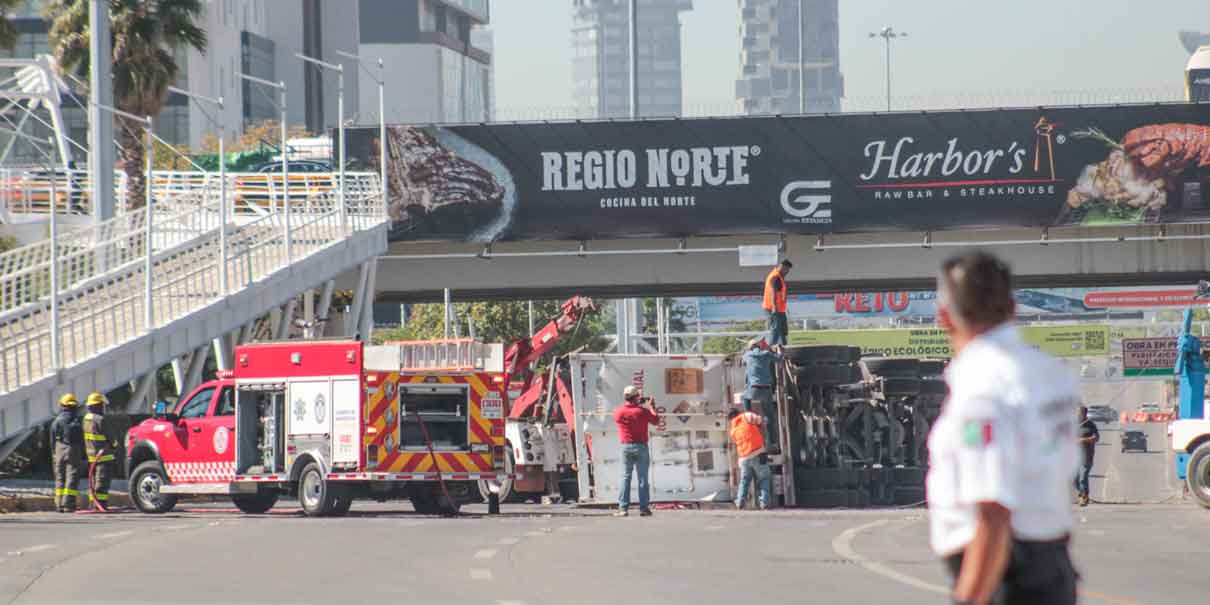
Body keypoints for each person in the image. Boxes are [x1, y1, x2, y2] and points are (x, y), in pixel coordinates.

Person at [926, 251, 1080, 605]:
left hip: (1005, 575)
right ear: (1012, 307)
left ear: (945, 317)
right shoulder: (1049, 372)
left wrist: (970, 598)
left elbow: (993, 511)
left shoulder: (982, 390)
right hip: (1052, 563)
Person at [613, 385, 660, 517]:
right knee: (643, 478)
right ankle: (644, 508)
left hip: (625, 447)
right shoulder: (642, 411)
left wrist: (637, 403)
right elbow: (656, 420)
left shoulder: (619, 412)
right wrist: (651, 407)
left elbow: (622, 417)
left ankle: (623, 508)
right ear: (636, 397)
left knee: (625, 477)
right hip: (641, 447)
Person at [742, 338, 782, 453]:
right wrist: (778, 349)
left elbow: (742, 361)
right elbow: (780, 358)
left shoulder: (747, 355)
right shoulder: (766, 354)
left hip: (753, 389)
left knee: (744, 397)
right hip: (766, 389)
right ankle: (773, 441)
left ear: (750, 347)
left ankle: (748, 417)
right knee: (769, 416)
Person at [83, 392, 119, 511]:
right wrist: (115, 445)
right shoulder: (101, 420)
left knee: (93, 481)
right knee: (102, 482)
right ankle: (101, 504)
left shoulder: (86, 419)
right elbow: (110, 437)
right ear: (98, 405)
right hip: (104, 456)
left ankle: (92, 504)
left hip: (91, 456)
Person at [729, 409, 771, 510]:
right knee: (764, 478)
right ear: (738, 413)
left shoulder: (733, 430)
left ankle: (739, 502)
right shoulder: (746, 416)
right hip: (758, 453)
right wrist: (766, 419)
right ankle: (764, 503)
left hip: (744, 458)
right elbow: (760, 420)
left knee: (744, 481)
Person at [49, 393, 84, 513]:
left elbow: (52, 438)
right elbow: (81, 438)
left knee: (59, 478)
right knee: (72, 477)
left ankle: (59, 504)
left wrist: (54, 453)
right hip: (73, 450)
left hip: (59, 449)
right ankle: (69, 504)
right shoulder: (76, 419)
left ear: (62, 405)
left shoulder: (56, 421)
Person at [761, 259, 793, 347]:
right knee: (775, 329)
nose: (787, 272)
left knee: (783, 329)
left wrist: (784, 307)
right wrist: (774, 307)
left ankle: (783, 348)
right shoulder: (775, 277)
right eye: (787, 270)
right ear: (782, 267)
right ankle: (771, 349)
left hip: (780, 309)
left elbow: (780, 294)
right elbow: (773, 293)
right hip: (772, 308)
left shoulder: (779, 276)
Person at [1075, 406, 1100, 507]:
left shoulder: (1091, 425)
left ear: (1084, 414)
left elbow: (1096, 438)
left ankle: (1084, 497)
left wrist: (1083, 440)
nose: (1077, 415)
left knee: (1083, 477)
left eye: (1079, 413)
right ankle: (1082, 493)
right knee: (1074, 479)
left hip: (1087, 456)